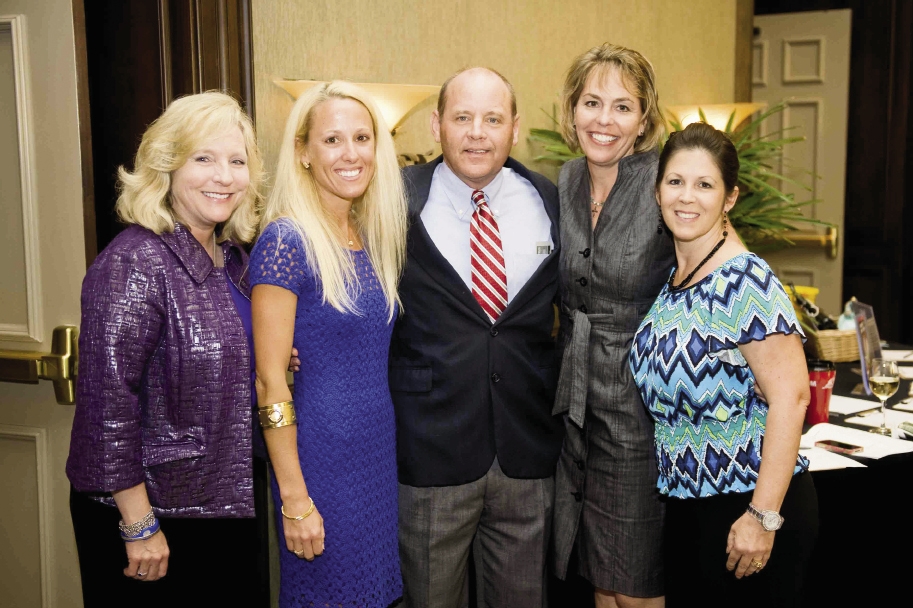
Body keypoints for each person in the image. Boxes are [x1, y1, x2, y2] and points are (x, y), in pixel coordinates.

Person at [66, 91, 266, 606]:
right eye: (204, 158)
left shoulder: (233, 260)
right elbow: (106, 405)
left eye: (237, 161)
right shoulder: (136, 262)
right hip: (160, 514)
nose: (224, 176)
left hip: (225, 500)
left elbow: (216, 359)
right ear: (166, 166)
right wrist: (137, 524)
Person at [391, 66, 564, 608]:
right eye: (462, 117)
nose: (476, 133)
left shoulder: (551, 201)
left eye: (492, 119)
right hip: (430, 452)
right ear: (436, 124)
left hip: (526, 453)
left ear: (514, 129)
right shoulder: (391, 200)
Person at [629, 122, 819, 607]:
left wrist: (762, 516)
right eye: (675, 182)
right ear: (658, 191)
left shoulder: (745, 280)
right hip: (689, 509)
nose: (686, 197)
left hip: (748, 507)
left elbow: (792, 397)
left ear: (729, 198)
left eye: (704, 184)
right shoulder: (677, 277)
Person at [250, 81, 407, 608]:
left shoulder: (368, 237)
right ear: (303, 153)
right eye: (333, 140)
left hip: (375, 457)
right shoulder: (285, 242)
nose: (351, 153)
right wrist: (294, 498)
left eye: (362, 138)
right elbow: (270, 381)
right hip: (319, 462)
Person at [551, 43, 673, 608]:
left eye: (623, 107)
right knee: (600, 572)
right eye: (592, 102)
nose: (604, 120)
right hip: (573, 407)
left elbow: (719, 260)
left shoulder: (663, 182)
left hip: (640, 409)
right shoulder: (566, 179)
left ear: (644, 118)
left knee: (637, 583)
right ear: (572, 109)